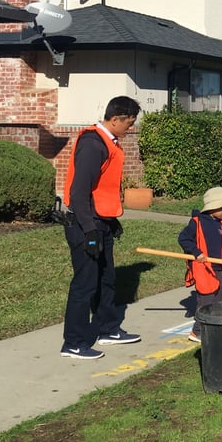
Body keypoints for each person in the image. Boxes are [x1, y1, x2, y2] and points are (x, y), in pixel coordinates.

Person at [60, 95, 142, 359]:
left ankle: (108, 330)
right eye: (128, 124)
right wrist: (90, 230)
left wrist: (110, 221)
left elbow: (101, 191)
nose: (130, 130)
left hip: (101, 222)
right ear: (115, 119)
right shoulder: (93, 144)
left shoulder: (110, 143)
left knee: (107, 279)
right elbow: (79, 192)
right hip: (84, 225)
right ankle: (73, 343)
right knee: (85, 284)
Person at [179, 186, 222, 343]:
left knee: (219, 299)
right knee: (206, 301)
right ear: (212, 207)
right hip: (203, 268)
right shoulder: (197, 223)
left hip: (218, 267)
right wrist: (196, 252)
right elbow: (184, 239)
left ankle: (215, 327)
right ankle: (197, 331)